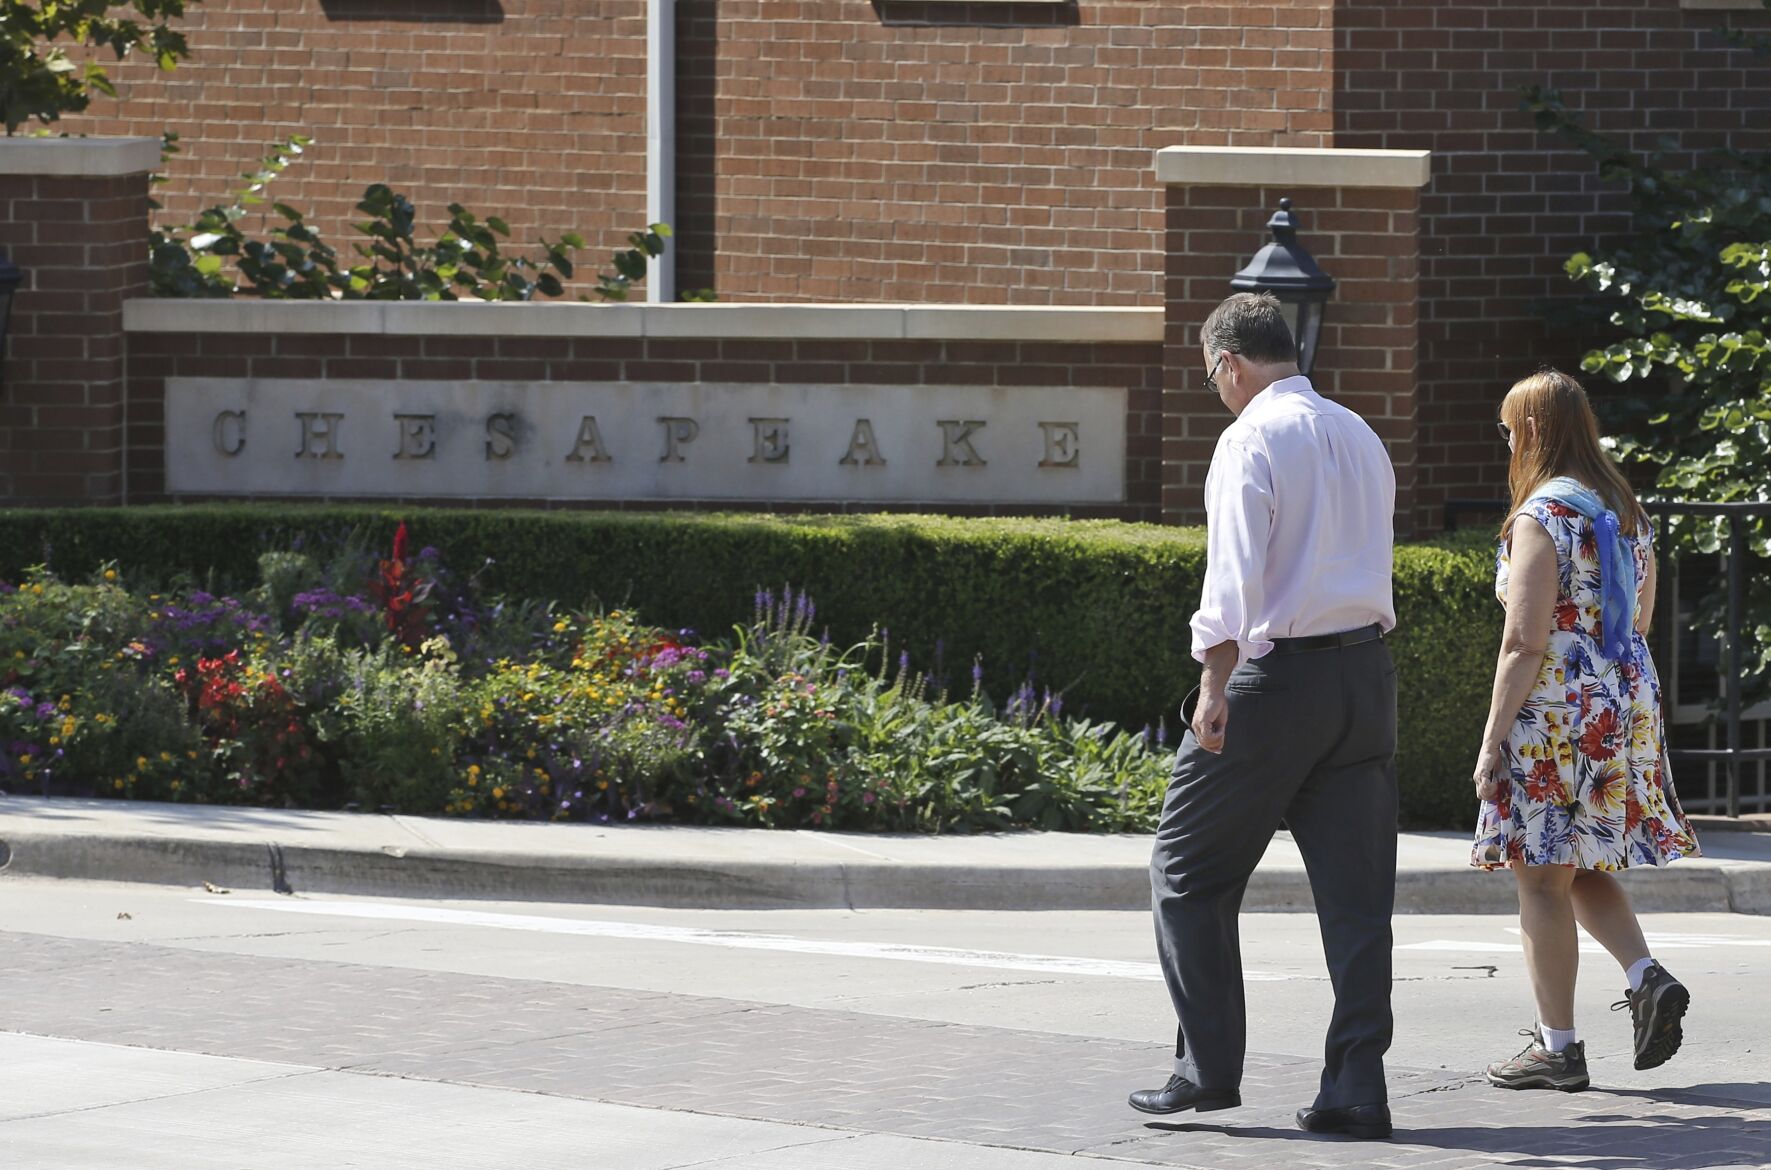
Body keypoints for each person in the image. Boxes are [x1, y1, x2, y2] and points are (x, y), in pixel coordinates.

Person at [1130, 292, 1400, 1140]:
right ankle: (1356, 1088)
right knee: (1358, 903)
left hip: (1272, 683)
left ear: (1230, 364)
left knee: (1183, 873)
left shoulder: (1247, 437)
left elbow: (1233, 581)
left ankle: (1204, 1070)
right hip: (1365, 678)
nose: (1216, 390)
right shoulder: (1359, 431)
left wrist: (1213, 685)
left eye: (1212, 376)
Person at [1472, 368, 1701, 1091]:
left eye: (1509, 430)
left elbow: (1522, 641)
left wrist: (1489, 741)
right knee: (1583, 863)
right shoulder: (1624, 510)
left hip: (1552, 712)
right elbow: (1637, 621)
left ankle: (1557, 1048)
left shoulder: (1542, 516)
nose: (1506, 442)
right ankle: (1645, 976)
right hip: (1619, 700)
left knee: (1539, 878)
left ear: (1533, 431)